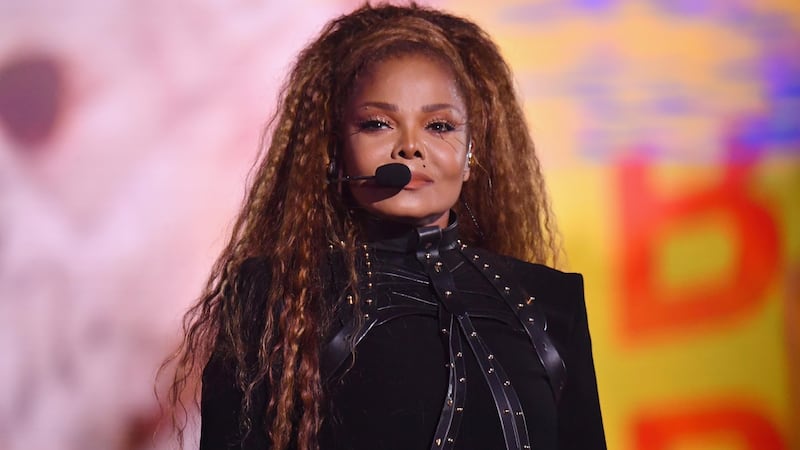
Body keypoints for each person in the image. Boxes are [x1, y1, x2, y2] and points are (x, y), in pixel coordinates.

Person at [163, 3, 606, 449]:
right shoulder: (272, 295)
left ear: (471, 154)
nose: (410, 147)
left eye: (439, 125)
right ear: (334, 151)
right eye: (377, 124)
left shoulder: (552, 302)